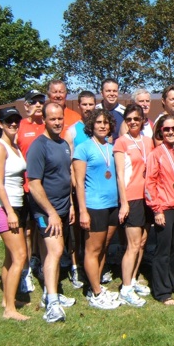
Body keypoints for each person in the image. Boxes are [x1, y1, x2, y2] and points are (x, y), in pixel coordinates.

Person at [27, 102, 76, 323]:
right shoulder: (39, 146)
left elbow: (66, 176)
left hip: (64, 207)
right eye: (52, 119)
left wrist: (71, 205)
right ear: (44, 120)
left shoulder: (63, 143)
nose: (57, 122)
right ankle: (52, 306)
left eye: (59, 118)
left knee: (55, 252)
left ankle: (51, 292)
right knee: (55, 252)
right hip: (46, 211)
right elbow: (34, 184)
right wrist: (51, 212)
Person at [73, 109, 121, 310]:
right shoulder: (83, 148)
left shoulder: (111, 147)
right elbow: (78, 182)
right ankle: (96, 293)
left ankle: (97, 285)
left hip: (112, 205)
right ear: (91, 125)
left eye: (106, 122)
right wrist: (83, 211)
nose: (102, 126)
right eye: (99, 122)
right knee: (93, 250)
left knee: (103, 247)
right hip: (94, 205)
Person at [0, 107, 29, 321]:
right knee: (20, 256)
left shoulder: (14, 146)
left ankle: (7, 299)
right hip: (4, 208)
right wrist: (10, 212)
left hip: (17, 205)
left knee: (10, 256)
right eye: (8, 121)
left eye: (16, 120)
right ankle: (10, 310)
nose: (13, 124)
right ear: (1, 124)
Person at [145, 114, 174, 304]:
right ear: (160, 132)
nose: (171, 132)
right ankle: (162, 291)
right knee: (163, 250)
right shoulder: (155, 154)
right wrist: (157, 210)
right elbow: (150, 184)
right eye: (167, 129)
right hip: (164, 208)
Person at [113, 104, 154, 307]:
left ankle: (134, 279)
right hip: (132, 197)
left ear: (143, 120)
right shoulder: (121, 142)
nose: (132, 122)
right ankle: (126, 288)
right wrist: (124, 203)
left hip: (148, 197)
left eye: (136, 119)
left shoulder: (148, 141)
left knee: (143, 242)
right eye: (128, 119)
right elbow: (120, 175)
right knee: (133, 245)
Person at [64, 90, 96, 290]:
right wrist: (74, 184)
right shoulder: (73, 131)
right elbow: (68, 163)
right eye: (84, 104)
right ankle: (76, 266)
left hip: (96, 188)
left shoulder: (100, 128)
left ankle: (95, 266)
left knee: (94, 230)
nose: (88, 108)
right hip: (79, 187)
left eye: (91, 104)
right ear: (79, 106)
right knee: (77, 229)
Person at [15, 89, 46, 293]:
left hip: (44, 189)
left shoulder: (48, 125)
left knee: (41, 230)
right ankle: (24, 270)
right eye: (34, 102)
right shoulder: (18, 127)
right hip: (24, 187)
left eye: (41, 101)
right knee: (25, 230)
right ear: (26, 105)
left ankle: (39, 262)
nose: (38, 105)